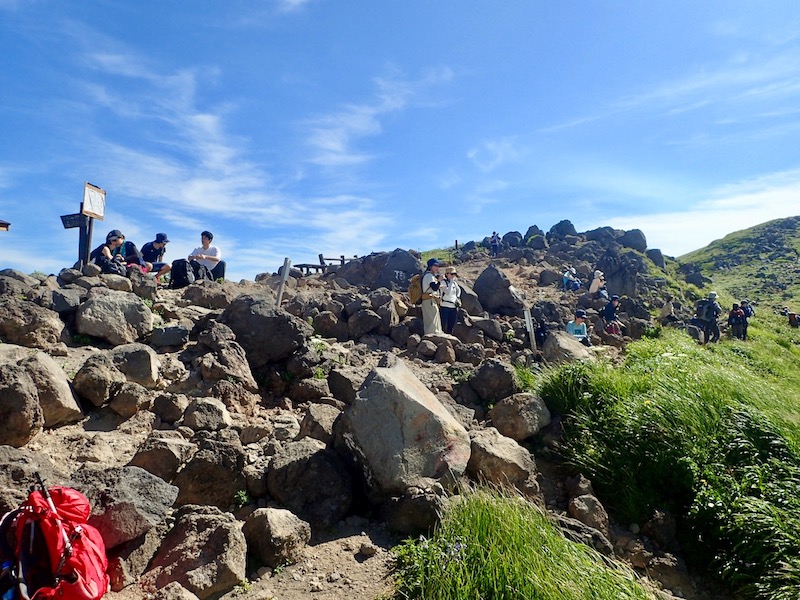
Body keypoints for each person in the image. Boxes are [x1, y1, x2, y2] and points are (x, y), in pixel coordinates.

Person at [421, 258, 443, 335]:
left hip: (430, 300)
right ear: (430, 266)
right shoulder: (429, 276)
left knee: (433, 316)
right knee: (432, 317)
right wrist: (439, 281)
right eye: (435, 265)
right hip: (429, 300)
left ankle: (434, 333)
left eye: (438, 266)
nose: (437, 268)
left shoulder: (430, 276)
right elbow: (434, 287)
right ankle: (432, 334)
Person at [439, 266, 461, 335]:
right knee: (443, 324)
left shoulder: (454, 283)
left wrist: (457, 298)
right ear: (447, 274)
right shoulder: (443, 282)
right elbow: (447, 292)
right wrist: (451, 282)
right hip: (445, 306)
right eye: (451, 274)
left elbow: (458, 290)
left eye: (454, 274)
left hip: (453, 306)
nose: (453, 276)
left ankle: (450, 336)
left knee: (451, 324)